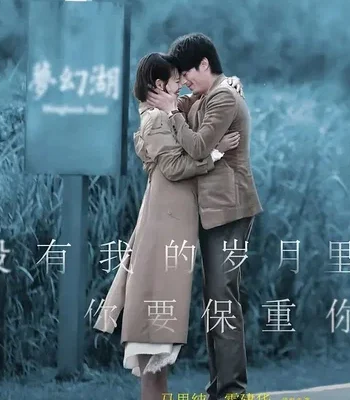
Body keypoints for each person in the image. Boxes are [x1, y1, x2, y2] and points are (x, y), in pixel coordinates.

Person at [93, 52, 244, 400]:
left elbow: (194, 109)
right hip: (163, 231)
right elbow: (175, 168)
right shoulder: (157, 121)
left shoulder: (164, 115)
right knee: (154, 345)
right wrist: (216, 153)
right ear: (160, 85)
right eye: (177, 81)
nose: (182, 86)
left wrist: (226, 86)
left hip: (169, 228)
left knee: (159, 348)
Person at [146, 33, 263, 400]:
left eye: (187, 73)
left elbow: (197, 147)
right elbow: (178, 116)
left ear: (205, 64)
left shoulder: (223, 98)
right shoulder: (204, 97)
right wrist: (171, 104)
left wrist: (173, 113)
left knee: (222, 298)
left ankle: (232, 390)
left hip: (229, 210)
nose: (184, 82)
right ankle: (219, 386)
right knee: (214, 300)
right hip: (212, 212)